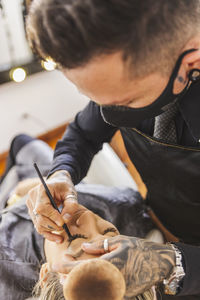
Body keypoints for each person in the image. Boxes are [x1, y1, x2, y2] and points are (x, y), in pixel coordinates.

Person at [26, 0, 200, 299]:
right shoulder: (123, 76)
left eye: (125, 101)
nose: (108, 114)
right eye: (96, 99)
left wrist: (171, 263)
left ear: (192, 60)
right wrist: (62, 172)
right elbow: (83, 132)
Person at [0, 134, 158, 300]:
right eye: (108, 231)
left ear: (45, 277)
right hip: (48, 183)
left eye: (74, 237)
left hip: (9, 202)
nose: (88, 216)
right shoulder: (124, 210)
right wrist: (51, 180)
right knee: (21, 142)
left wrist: (15, 196)